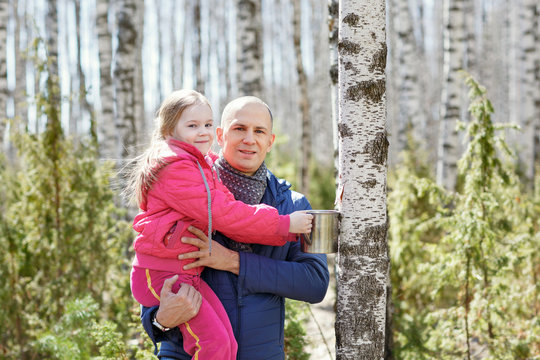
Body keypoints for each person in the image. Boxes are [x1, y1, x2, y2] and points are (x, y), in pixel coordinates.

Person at [126, 90, 314, 360]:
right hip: (182, 352)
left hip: (261, 354)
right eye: (239, 128)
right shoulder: (189, 180)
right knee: (214, 342)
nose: (249, 139)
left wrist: (233, 261)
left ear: (270, 141)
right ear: (222, 135)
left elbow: (314, 283)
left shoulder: (291, 204)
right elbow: (154, 286)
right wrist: (161, 320)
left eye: (259, 131)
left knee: (221, 343)